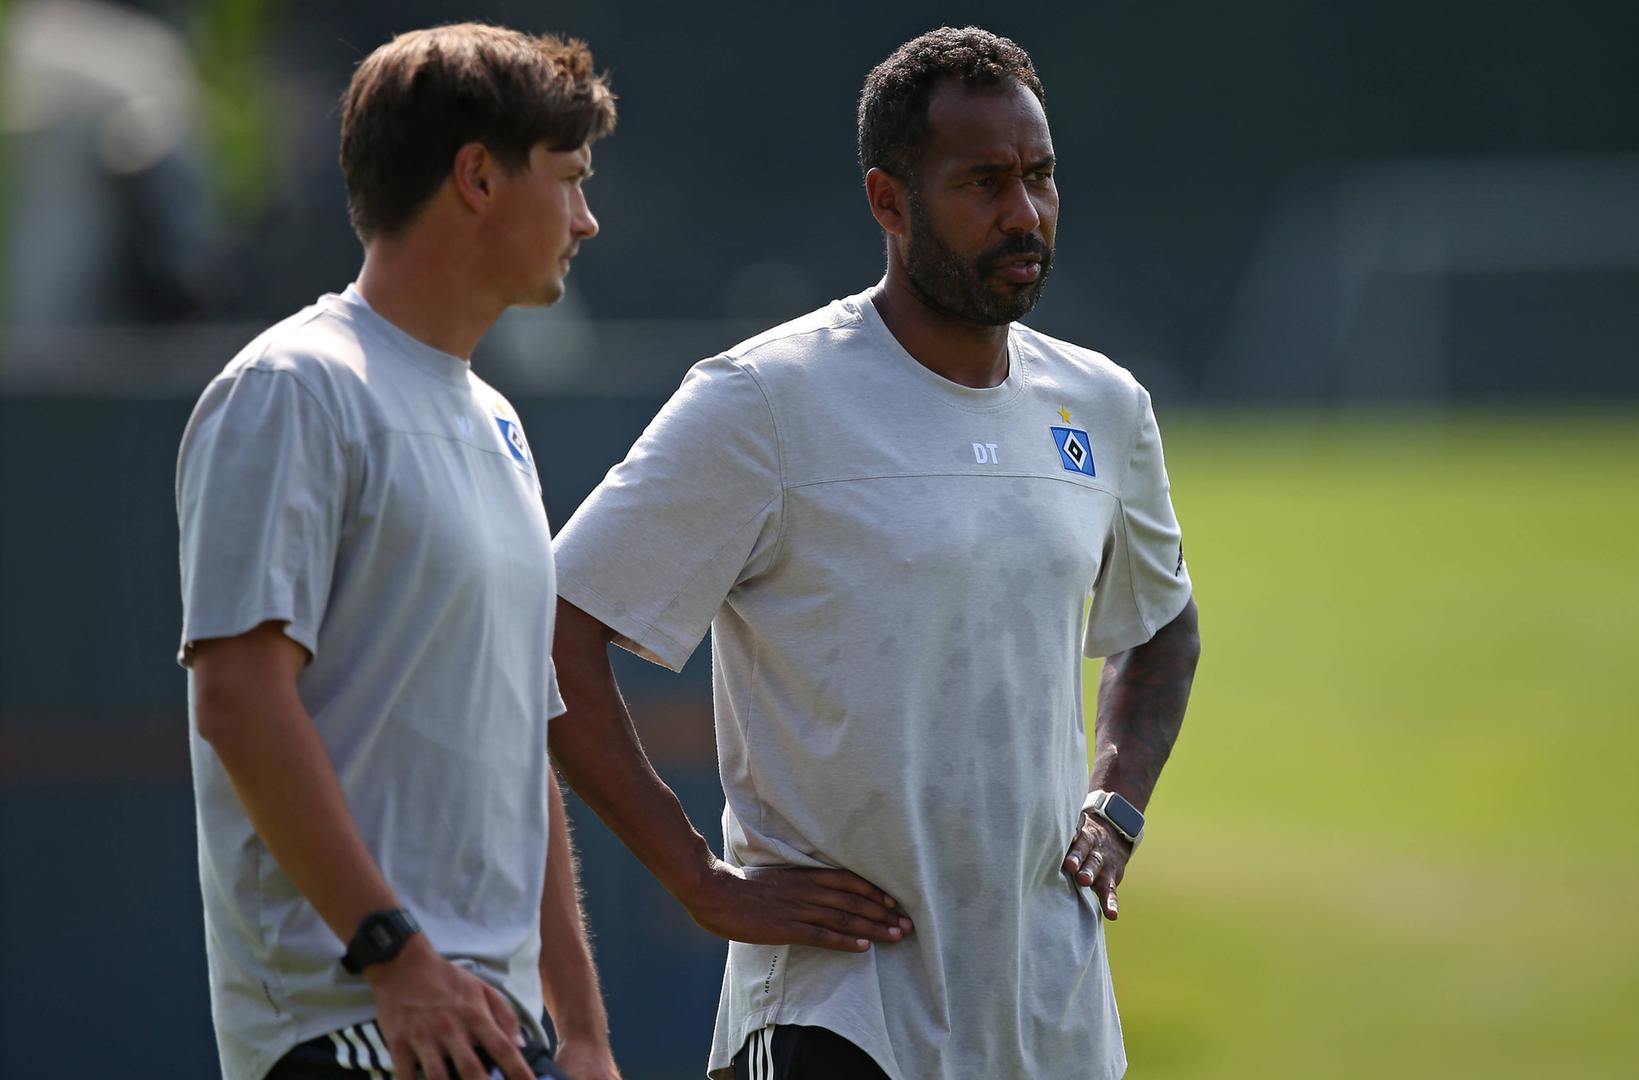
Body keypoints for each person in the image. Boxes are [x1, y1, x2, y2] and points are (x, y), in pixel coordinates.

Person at [547, 25, 1201, 1080]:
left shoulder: (1104, 404)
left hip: (1052, 1014)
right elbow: (555, 631)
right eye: (982, 183)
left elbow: (1163, 627)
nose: (1023, 213)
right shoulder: (762, 399)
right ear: (889, 202)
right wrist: (701, 880)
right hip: (839, 1014)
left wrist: (1115, 805)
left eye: (1039, 177)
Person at [176, 24, 620, 1080]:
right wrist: (394, 956)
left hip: (482, 1030)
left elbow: (523, 751)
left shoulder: (501, 424)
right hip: (351, 1027)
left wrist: (587, 1035)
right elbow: (238, 694)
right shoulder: (290, 387)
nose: (587, 219)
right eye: (568, 179)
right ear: (477, 177)